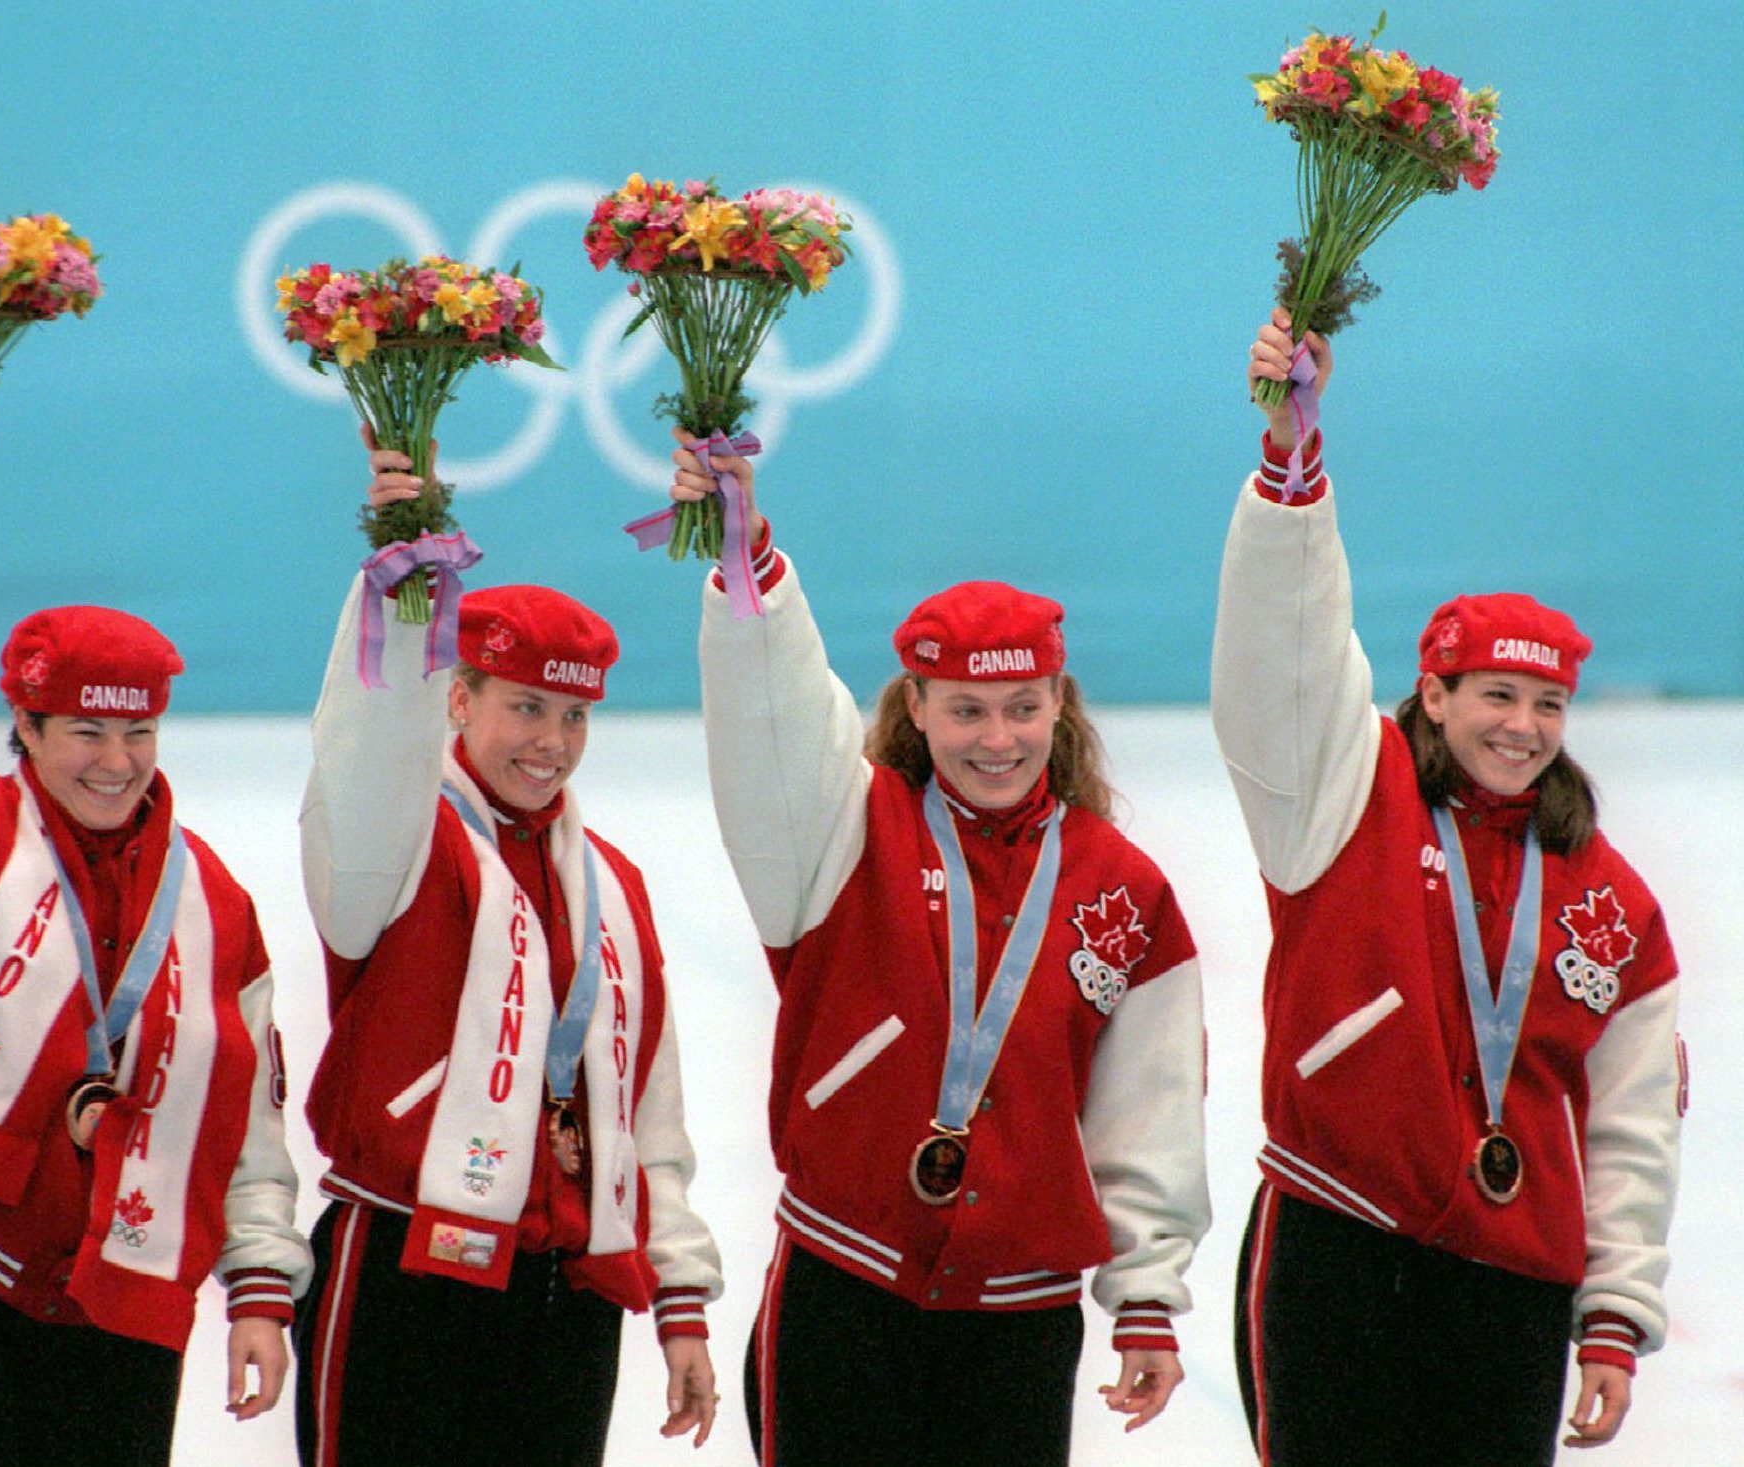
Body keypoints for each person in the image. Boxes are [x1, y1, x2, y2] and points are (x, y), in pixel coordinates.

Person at [672, 433, 1210, 1466]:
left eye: (1021, 708)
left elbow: (1149, 1105)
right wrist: (751, 568)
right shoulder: (843, 832)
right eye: (964, 710)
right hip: (844, 1286)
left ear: (1059, 705)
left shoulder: (1124, 889)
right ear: (915, 708)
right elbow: (771, 720)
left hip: (1020, 1321)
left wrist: (1143, 1296)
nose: (996, 739)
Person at [1215, 310, 1686, 1466]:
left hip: (1515, 1277)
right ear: (1432, 695)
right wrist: (1291, 461)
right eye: (1493, 698)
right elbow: (1286, 652)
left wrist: (1615, 1316)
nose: (1521, 730)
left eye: (1545, 707)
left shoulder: (1608, 901)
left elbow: (1631, 1126)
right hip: (1337, 1235)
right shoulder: (1345, 800)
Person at [0, 452, 311, 1467]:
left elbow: (247, 1118)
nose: (116, 760)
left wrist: (261, 1288)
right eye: (86, 731)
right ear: (24, 725)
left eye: (139, 731)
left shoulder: (211, 900)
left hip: (126, 1305)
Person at [292, 433, 725, 1466]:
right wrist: (400, 608)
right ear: (457, 699)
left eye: (574, 715)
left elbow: (645, 1111)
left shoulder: (608, 883)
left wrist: (681, 1298)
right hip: (406, 1265)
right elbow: (358, 764)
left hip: (565, 1296)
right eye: (525, 706)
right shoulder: (400, 840)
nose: (552, 741)